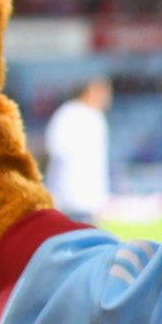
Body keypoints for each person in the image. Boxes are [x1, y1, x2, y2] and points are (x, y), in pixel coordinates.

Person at [45, 77, 112, 221]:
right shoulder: (68, 114)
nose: (106, 97)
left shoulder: (97, 117)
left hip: (90, 196)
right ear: (89, 91)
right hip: (68, 193)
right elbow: (56, 149)